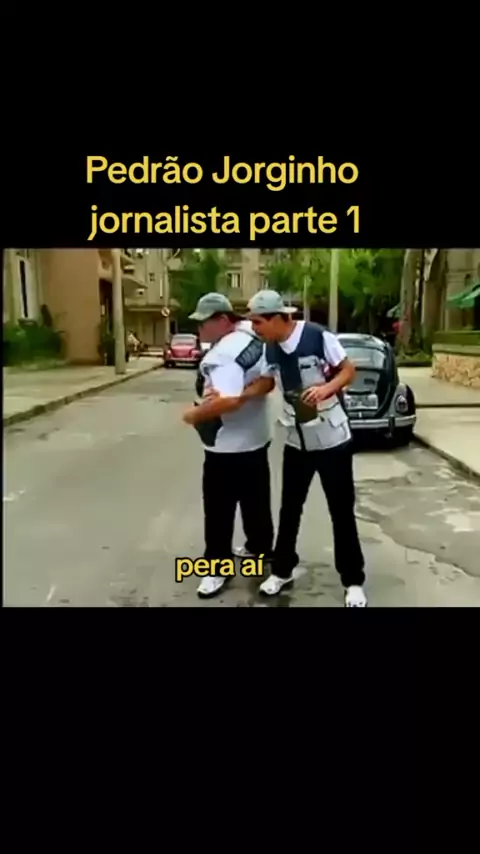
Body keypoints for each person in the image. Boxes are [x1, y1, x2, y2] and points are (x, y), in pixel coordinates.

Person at [244, 290, 367, 607]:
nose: (254, 328)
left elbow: (348, 370)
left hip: (332, 439)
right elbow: (268, 382)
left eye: (257, 322)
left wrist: (326, 389)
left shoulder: (317, 337)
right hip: (297, 440)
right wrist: (236, 394)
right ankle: (282, 570)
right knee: (289, 508)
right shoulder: (270, 347)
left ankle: (353, 580)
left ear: (277, 318)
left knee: (340, 511)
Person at [181, 293, 275, 599]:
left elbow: (228, 401)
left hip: (225, 448)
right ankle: (259, 550)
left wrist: (193, 415)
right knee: (256, 503)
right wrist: (247, 393)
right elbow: (268, 381)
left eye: (203, 323)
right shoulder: (254, 336)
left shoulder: (222, 354)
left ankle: (216, 568)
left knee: (218, 511)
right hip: (257, 439)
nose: (199, 329)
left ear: (222, 320)